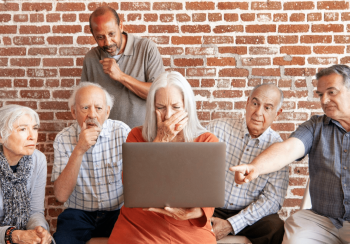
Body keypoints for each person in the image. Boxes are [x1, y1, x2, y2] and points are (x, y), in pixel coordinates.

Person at [231, 64, 350, 244]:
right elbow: (287, 149)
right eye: (320, 94)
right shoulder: (315, 126)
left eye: (331, 92)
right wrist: (255, 167)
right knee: (294, 240)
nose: (324, 100)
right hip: (322, 219)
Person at [108, 71, 218, 244]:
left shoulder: (206, 140)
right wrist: (161, 139)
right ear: (152, 108)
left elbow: (208, 198)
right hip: (139, 224)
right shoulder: (136, 135)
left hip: (187, 226)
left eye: (176, 107)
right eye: (160, 107)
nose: (168, 115)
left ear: (187, 107)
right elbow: (133, 186)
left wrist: (194, 211)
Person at [206, 84, 289, 244]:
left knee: (275, 227)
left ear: (277, 113)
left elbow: (273, 200)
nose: (258, 113)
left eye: (267, 107)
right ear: (247, 103)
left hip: (249, 214)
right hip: (212, 207)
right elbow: (193, 168)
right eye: (255, 103)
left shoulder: (279, 149)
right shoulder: (217, 129)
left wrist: (231, 224)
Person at [51, 82, 131, 244]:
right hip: (78, 213)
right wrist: (79, 149)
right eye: (85, 108)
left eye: (99, 108)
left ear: (107, 112)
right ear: (74, 112)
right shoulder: (63, 138)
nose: (92, 114)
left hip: (117, 212)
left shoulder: (122, 132)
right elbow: (60, 195)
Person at [81, 6, 165, 128]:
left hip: (142, 136)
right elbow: (84, 101)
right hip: (105, 139)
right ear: (93, 34)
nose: (108, 42)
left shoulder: (146, 48)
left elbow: (159, 94)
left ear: (121, 27)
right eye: (100, 37)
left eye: (111, 34)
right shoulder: (91, 58)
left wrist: (121, 76)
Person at [0, 105, 51, 244]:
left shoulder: (38, 159)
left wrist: (38, 231)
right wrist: (13, 235)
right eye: (22, 129)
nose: (32, 136)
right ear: (1, 136)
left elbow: (35, 211)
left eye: (34, 128)